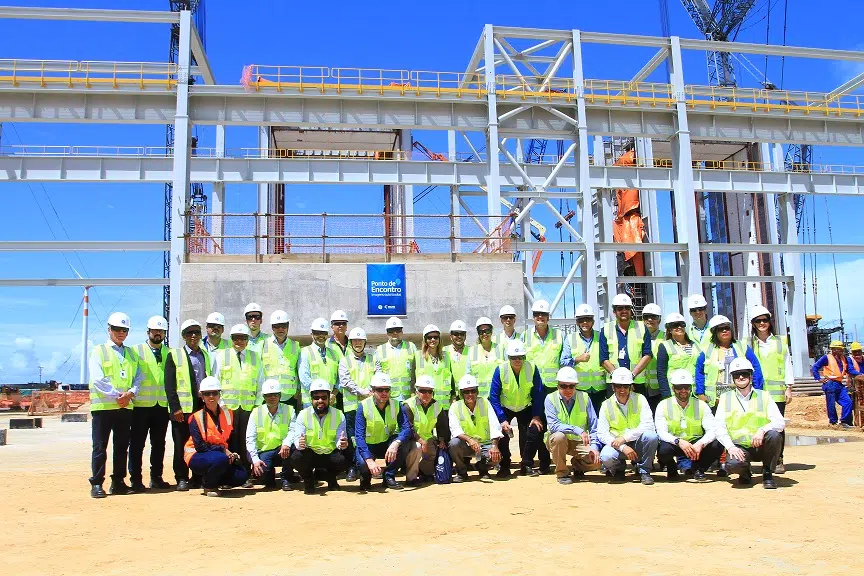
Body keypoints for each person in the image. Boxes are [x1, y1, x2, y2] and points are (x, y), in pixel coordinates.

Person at [88, 312, 143, 498]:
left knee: (121, 447)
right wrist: (117, 395)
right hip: (104, 408)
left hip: (124, 407)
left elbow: (138, 377)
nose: (121, 333)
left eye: (125, 330)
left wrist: (130, 393)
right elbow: (98, 379)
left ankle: (118, 482)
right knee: (100, 447)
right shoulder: (99, 351)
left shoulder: (132, 354)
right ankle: (97, 483)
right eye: (117, 329)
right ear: (109, 329)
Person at [714, 358, 786, 489]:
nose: (741, 377)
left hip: (762, 446)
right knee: (733, 464)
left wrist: (762, 430)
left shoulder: (764, 396)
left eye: (744, 374)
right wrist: (730, 447)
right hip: (740, 448)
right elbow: (719, 427)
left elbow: (780, 422)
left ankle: (767, 473)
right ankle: (745, 472)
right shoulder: (725, 398)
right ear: (732, 378)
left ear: (751, 376)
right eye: (737, 375)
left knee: (774, 435)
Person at [488, 340, 548, 477]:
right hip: (506, 408)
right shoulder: (500, 370)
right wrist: (502, 419)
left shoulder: (532, 368)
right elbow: (494, 396)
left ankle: (526, 464)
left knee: (532, 431)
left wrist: (536, 415)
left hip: (525, 406)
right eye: (514, 357)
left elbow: (538, 393)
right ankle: (504, 466)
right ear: (508, 357)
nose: (517, 360)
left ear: (524, 357)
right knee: (502, 434)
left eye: (521, 357)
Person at [164, 319, 212, 491]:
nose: (193, 336)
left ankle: (197, 477)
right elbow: (169, 384)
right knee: (181, 444)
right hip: (182, 410)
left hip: (200, 407)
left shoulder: (205, 355)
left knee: (199, 443)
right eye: (189, 333)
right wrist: (175, 408)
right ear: (184, 336)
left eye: (197, 333)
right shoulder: (175, 355)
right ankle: (182, 477)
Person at [212, 323, 264, 479]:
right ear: (231, 339)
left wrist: (257, 405)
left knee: (246, 441)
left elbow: (260, 382)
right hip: (228, 408)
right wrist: (220, 405)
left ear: (247, 339)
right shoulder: (222, 356)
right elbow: (216, 380)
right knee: (229, 441)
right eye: (236, 338)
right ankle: (228, 475)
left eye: (242, 338)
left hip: (248, 407)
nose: (239, 341)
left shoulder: (255, 357)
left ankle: (245, 474)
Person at [183, 376, 249, 497]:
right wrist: (222, 450)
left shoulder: (228, 414)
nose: (211, 396)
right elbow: (200, 447)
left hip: (219, 455)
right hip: (196, 455)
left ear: (219, 394)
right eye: (207, 394)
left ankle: (214, 478)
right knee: (220, 459)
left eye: (214, 393)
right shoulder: (196, 418)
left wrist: (233, 454)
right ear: (202, 396)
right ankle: (209, 486)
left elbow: (230, 438)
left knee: (241, 475)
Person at [654, 369, 724, 481]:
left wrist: (701, 443)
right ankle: (672, 468)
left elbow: (712, 430)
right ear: (673, 388)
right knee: (663, 450)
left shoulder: (701, 405)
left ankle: (699, 469)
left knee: (717, 444)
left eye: (686, 387)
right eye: (679, 387)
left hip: (696, 443)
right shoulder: (663, 405)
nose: (683, 390)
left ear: (691, 388)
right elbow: (661, 432)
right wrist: (678, 441)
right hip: (675, 442)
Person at [128, 315, 171, 492]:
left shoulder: (169, 352)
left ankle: (156, 478)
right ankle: (136, 480)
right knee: (137, 445)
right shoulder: (135, 351)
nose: (158, 333)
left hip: (161, 406)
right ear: (148, 332)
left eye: (161, 331)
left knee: (159, 444)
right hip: (140, 406)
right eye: (155, 331)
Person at [750, 304, 794, 473]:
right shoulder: (748, 343)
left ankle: (778, 459)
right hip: (756, 392)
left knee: (777, 426)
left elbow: (787, 364)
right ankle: (762, 458)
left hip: (776, 392)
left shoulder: (780, 342)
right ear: (753, 323)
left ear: (769, 321)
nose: (762, 323)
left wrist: (789, 387)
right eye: (758, 321)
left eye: (765, 320)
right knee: (758, 424)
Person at [597, 367, 659, 485]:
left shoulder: (640, 399)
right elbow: (602, 434)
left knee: (651, 436)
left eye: (625, 386)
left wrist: (625, 438)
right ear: (613, 387)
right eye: (618, 386)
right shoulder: (606, 405)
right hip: (617, 445)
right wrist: (622, 447)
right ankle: (618, 469)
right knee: (606, 456)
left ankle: (644, 471)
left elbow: (649, 425)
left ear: (631, 386)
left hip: (637, 443)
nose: (622, 389)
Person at [290, 379, 350, 495]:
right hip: (311, 454)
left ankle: (331, 478)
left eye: (324, 397)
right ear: (311, 399)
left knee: (347, 455)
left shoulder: (339, 414)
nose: (320, 401)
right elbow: (297, 438)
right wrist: (300, 444)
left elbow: (340, 438)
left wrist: (342, 444)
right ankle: (308, 480)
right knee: (296, 457)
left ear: (329, 398)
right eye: (316, 398)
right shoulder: (303, 414)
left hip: (330, 454)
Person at [354, 373, 412, 491]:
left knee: (403, 444)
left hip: (386, 443)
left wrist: (396, 443)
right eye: (380, 390)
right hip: (368, 445)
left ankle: (389, 477)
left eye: (387, 390)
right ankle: (365, 478)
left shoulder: (397, 405)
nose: (384, 393)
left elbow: (406, 428)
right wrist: (369, 460)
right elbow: (359, 436)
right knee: (363, 463)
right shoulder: (363, 406)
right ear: (372, 390)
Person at [544, 367, 602, 485]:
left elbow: (594, 425)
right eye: (563, 386)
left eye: (571, 386)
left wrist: (595, 447)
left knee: (598, 461)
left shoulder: (584, 397)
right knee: (559, 437)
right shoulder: (550, 398)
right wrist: (577, 430)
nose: (568, 389)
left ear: (576, 386)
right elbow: (553, 426)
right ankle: (562, 473)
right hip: (558, 441)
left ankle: (577, 465)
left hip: (579, 442)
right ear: (558, 386)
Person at [695, 315, 764, 411]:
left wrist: (757, 390)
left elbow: (756, 368)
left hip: (741, 398)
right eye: (720, 329)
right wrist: (700, 393)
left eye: (727, 328)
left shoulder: (742, 347)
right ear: (714, 332)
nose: (724, 331)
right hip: (715, 402)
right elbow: (699, 372)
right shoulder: (707, 351)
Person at [448, 374, 503, 482]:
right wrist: (470, 440)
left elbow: (495, 426)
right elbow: (455, 430)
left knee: (496, 457)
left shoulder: (485, 403)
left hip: (484, 445)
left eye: (473, 391)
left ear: (477, 391)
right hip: (466, 445)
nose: (470, 394)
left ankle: (482, 468)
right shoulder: (455, 407)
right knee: (453, 444)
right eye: (466, 392)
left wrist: (494, 446)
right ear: (461, 393)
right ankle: (462, 472)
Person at [337, 327, 374, 482]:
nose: (358, 343)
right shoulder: (344, 361)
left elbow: (378, 376)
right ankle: (353, 466)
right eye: (355, 341)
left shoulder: (373, 359)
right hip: (351, 407)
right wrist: (363, 392)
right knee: (352, 437)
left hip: (369, 406)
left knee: (367, 436)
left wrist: (370, 390)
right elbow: (345, 381)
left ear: (365, 342)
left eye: (360, 340)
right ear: (351, 343)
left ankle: (366, 464)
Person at [245, 379, 296, 491]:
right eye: (269, 395)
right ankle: (268, 477)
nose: (272, 397)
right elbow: (250, 439)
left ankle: (286, 478)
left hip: (282, 449)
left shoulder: (289, 410)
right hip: (263, 451)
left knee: (294, 448)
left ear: (280, 395)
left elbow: (293, 430)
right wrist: (255, 460)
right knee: (263, 473)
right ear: (264, 396)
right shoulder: (256, 412)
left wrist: (286, 444)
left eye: (275, 394)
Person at [600, 293, 652, 397]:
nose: (624, 311)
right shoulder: (606, 329)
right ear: (614, 311)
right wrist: (620, 379)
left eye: (627, 308)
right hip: (614, 383)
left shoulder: (642, 328)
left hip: (637, 382)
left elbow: (647, 355)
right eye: (620, 308)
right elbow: (603, 359)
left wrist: (631, 376)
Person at [404, 375, 450, 485]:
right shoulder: (408, 405)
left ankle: (423, 472)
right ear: (417, 391)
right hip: (410, 439)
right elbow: (408, 428)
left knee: (437, 450)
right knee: (417, 448)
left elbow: (442, 426)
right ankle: (411, 478)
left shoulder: (437, 406)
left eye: (430, 391)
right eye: (423, 391)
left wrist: (441, 440)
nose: (427, 394)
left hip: (427, 438)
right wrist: (420, 441)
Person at [656, 312, 701, 412]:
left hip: (694, 391)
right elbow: (661, 373)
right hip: (675, 393)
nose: (679, 327)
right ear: (669, 329)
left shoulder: (695, 345)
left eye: (682, 324)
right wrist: (666, 395)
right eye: (675, 325)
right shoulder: (665, 346)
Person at [523, 299, 571, 390]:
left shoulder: (560, 335)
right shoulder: (525, 336)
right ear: (533, 317)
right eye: (537, 314)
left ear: (548, 317)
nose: (540, 316)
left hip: (554, 385)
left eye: (543, 314)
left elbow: (565, 361)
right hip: (532, 385)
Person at [568, 303, 607, 414]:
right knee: (582, 419)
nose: (585, 322)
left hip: (600, 389)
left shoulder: (601, 337)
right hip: (580, 389)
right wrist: (577, 359)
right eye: (581, 320)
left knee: (600, 419)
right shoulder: (570, 338)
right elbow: (563, 362)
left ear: (593, 321)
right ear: (577, 322)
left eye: (588, 319)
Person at [260, 309, 300, 410]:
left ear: (288, 326)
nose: (280, 329)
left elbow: (299, 370)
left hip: (289, 396)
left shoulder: (295, 346)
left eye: (283, 326)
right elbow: (259, 371)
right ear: (272, 327)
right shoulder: (263, 344)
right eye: (277, 326)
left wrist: (298, 390)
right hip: (269, 394)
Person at [811, 340, 857, 429]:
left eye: (842, 349)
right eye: (839, 349)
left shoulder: (844, 359)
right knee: (831, 404)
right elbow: (815, 367)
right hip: (830, 384)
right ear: (834, 350)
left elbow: (849, 370)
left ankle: (844, 422)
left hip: (839, 384)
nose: (842, 351)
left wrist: (859, 374)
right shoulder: (826, 358)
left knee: (848, 402)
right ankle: (833, 422)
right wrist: (819, 379)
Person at [298, 317, 340, 408]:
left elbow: (339, 378)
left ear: (327, 335)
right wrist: (322, 397)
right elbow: (304, 378)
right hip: (311, 402)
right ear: (311, 334)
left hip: (331, 401)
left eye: (323, 333)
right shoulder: (305, 352)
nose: (321, 336)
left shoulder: (334, 354)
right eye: (317, 333)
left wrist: (334, 393)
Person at [374, 316, 417, 402]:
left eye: (398, 330)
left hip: (409, 397)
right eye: (391, 330)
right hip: (390, 398)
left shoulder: (411, 347)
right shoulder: (380, 350)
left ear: (402, 331)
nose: (395, 333)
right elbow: (378, 375)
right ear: (387, 333)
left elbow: (417, 371)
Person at [415, 324, 453, 409]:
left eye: (435, 337)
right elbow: (413, 380)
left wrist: (453, 398)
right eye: (429, 337)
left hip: (444, 404)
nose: (433, 340)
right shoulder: (418, 356)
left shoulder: (446, 356)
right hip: (426, 404)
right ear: (425, 339)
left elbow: (451, 379)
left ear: (439, 339)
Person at [641, 303, 670, 413]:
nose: (649, 320)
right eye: (646, 317)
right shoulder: (637, 337)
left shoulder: (666, 337)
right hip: (641, 386)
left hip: (659, 388)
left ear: (659, 320)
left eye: (653, 317)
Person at [468, 317, 503, 398]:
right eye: (481, 332)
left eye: (487, 331)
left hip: (498, 396)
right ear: (478, 333)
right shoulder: (472, 351)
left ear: (491, 331)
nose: (484, 334)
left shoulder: (501, 349)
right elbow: (468, 374)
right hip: (479, 397)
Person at [444, 320, 470, 388]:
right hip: (450, 391)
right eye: (456, 334)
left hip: (466, 391)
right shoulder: (443, 351)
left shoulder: (472, 351)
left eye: (462, 334)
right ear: (450, 336)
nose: (459, 336)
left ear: (465, 336)